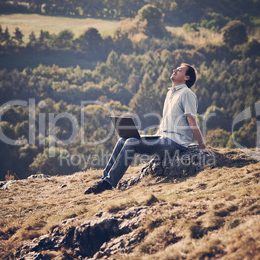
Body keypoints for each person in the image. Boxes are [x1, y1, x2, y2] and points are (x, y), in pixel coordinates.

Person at [84, 63, 213, 194]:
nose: (174, 70)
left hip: (176, 143)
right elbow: (167, 121)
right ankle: (105, 178)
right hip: (164, 138)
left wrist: (202, 146)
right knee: (124, 139)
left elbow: (192, 121)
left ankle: (109, 183)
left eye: (179, 70)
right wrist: (151, 139)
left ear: (186, 77)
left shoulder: (187, 94)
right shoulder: (170, 93)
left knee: (131, 143)